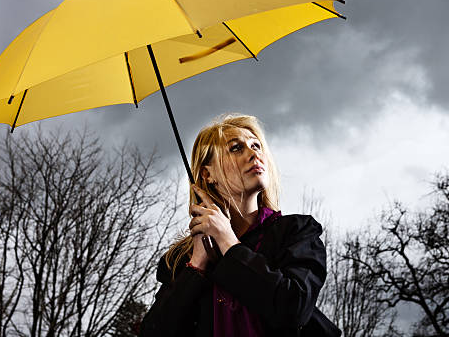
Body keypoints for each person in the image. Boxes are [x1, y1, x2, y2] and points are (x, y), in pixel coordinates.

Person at [139, 114, 340, 337]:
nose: (254, 153)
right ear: (208, 174)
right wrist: (196, 266)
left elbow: (293, 308)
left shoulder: (297, 232)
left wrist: (228, 242)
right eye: (236, 148)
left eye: (256, 146)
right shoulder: (181, 259)